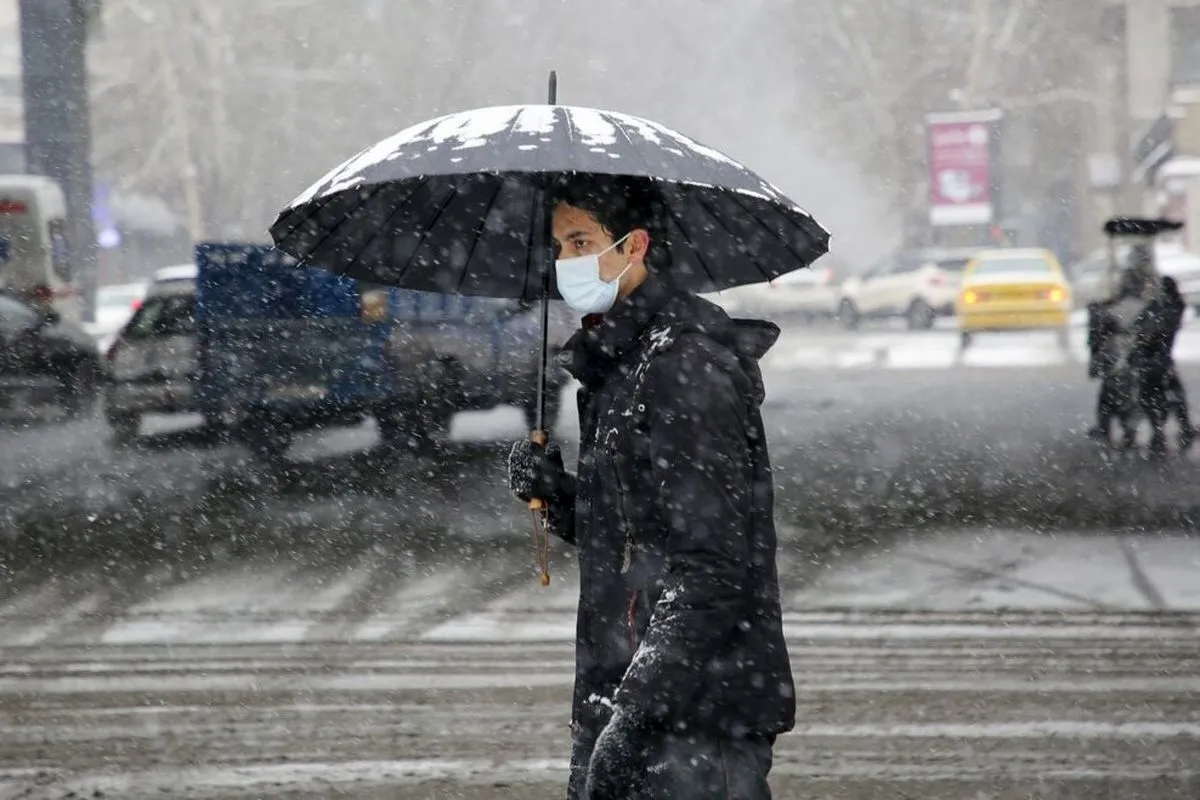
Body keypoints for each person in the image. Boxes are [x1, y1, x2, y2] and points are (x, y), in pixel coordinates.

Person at [507, 174, 794, 799]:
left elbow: (713, 568)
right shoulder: (621, 365)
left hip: (695, 720)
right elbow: (643, 541)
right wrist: (562, 496)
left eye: (581, 242)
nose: (565, 263)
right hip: (628, 694)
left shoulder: (684, 367)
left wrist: (636, 717)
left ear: (634, 246)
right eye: (557, 248)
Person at [1087, 266, 1153, 446]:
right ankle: (1127, 430)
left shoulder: (1117, 307)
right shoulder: (1146, 306)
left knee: (1110, 395)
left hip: (1122, 359)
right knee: (1132, 396)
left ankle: (1106, 429)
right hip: (1133, 359)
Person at [1132, 275, 1193, 453]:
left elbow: (1144, 326)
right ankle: (1179, 427)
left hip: (1154, 359)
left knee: (1150, 395)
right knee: (1170, 394)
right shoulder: (1170, 306)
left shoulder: (1165, 307)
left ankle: (1160, 429)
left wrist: (1144, 337)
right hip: (1160, 359)